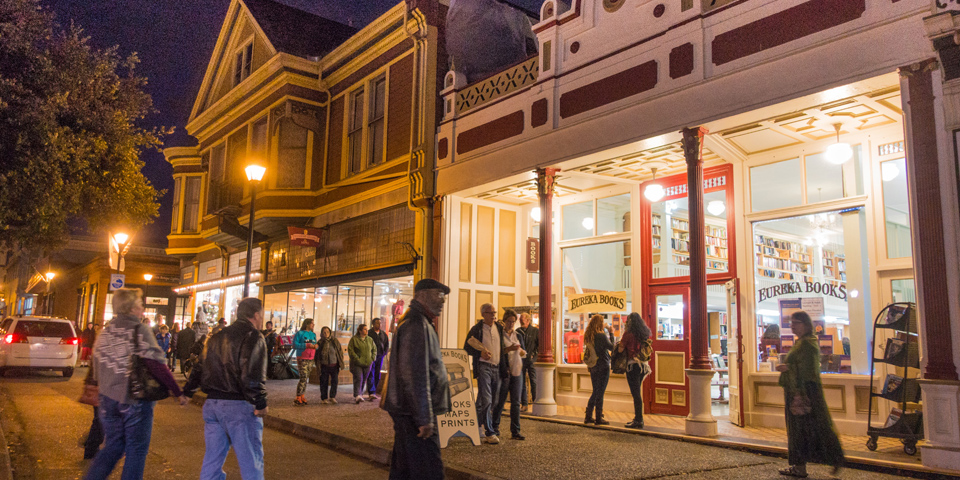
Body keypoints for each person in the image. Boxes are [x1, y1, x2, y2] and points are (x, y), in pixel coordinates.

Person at [84, 288, 187, 480]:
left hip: (107, 399)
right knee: (136, 449)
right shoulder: (139, 330)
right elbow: (156, 364)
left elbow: (96, 365)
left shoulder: (106, 331)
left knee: (113, 446)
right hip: (133, 399)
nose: (142, 309)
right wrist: (176, 390)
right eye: (139, 305)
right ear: (131, 308)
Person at [184, 297, 269, 480]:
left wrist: (188, 390)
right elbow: (251, 372)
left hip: (213, 404)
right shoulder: (253, 336)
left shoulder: (216, 336)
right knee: (251, 461)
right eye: (261, 315)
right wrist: (260, 401)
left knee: (212, 460)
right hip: (238, 405)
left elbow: (199, 366)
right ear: (256, 315)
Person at [382, 278, 451, 480]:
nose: (442, 301)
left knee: (404, 469)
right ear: (422, 295)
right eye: (438, 295)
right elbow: (414, 375)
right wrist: (424, 417)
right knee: (429, 471)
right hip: (412, 414)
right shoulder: (416, 323)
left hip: (407, 411)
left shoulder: (416, 321)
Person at [777, 311, 844, 478]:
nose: (792, 325)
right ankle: (801, 466)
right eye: (791, 322)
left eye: (796, 322)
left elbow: (808, 370)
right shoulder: (802, 342)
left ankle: (834, 457)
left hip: (804, 393)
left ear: (806, 324)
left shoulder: (807, 344)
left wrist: (789, 369)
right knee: (804, 430)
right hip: (799, 392)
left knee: (810, 428)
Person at [463, 303, 506, 444]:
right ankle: (489, 432)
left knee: (489, 400)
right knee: (487, 400)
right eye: (490, 312)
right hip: (483, 367)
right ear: (483, 314)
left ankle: (475, 426)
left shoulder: (499, 328)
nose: (493, 315)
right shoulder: (476, 329)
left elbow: (502, 347)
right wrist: (480, 352)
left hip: (496, 367)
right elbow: (466, 347)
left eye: (494, 312)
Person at [492, 310, 526, 440]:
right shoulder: (500, 335)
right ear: (504, 321)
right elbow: (498, 352)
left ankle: (515, 431)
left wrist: (521, 351)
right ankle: (494, 428)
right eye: (509, 321)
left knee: (516, 402)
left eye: (513, 322)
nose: (511, 324)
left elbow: (523, 352)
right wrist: (509, 349)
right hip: (505, 371)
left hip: (517, 370)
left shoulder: (518, 335)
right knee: (500, 401)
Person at [618, 312, 652, 429]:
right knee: (637, 392)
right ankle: (638, 419)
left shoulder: (628, 334)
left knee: (636, 394)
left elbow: (621, 349)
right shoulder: (644, 332)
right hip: (643, 366)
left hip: (632, 366)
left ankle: (638, 420)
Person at [584, 314, 613, 425]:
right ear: (600, 323)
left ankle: (588, 416)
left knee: (595, 391)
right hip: (603, 365)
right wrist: (610, 333)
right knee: (600, 392)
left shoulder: (589, 335)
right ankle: (598, 418)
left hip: (593, 366)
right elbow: (611, 347)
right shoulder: (601, 336)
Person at [348, 324, 376, 404]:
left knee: (364, 379)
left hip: (368, 363)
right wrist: (356, 358)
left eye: (366, 329)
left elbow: (374, 349)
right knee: (358, 378)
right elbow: (351, 350)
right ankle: (357, 395)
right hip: (357, 363)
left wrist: (372, 358)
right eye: (364, 329)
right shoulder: (354, 339)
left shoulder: (370, 339)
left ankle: (360, 394)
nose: (366, 331)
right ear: (360, 331)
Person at [315, 326, 344, 404]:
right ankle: (324, 398)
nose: (326, 333)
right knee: (324, 382)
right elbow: (317, 354)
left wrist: (340, 362)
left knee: (334, 381)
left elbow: (339, 351)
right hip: (324, 365)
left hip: (334, 365)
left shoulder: (334, 341)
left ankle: (332, 396)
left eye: (327, 332)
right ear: (321, 333)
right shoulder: (320, 342)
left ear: (330, 332)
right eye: (324, 332)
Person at [292, 318, 318, 406]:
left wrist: (316, 346)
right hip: (302, 357)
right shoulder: (300, 334)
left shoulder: (313, 334)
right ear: (307, 324)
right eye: (312, 323)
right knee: (303, 377)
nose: (313, 325)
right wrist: (306, 345)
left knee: (306, 377)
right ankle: (298, 396)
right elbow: (295, 345)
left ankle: (302, 395)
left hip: (311, 358)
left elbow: (315, 343)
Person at [516, 313, 538, 412]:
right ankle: (524, 404)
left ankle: (535, 402)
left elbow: (539, 345)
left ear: (528, 320)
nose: (521, 321)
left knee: (534, 381)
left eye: (523, 319)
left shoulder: (535, 331)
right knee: (522, 382)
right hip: (521, 360)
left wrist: (534, 354)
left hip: (532, 360)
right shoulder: (517, 332)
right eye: (520, 319)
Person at [368, 317, 389, 398]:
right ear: (373, 324)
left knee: (377, 374)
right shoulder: (369, 333)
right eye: (377, 323)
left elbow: (386, 344)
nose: (379, 324)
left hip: (380, 356)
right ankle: (371, 392)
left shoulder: (383, 334)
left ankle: (374, 390)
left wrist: (384, 353)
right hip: (371, 356)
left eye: (380, 323)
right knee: (371, 373)